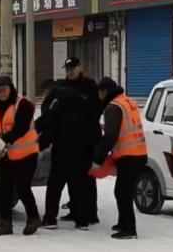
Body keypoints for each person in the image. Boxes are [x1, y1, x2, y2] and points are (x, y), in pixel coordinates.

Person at [0, 75, 42, 236]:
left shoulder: (22, 104)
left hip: (28, 153)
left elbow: (21, 128)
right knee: (3, 188)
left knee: (22, 187)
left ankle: (33, 218)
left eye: (3, 90)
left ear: (10, 88)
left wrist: (3, 140)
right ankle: (5, 224)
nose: (1, 93)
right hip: (10, 155)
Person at [36, 79, 97, 230]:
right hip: (83, 150)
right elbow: (93, 123)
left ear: (47, 91)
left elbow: (49, 124)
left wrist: (39, 146)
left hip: (63, 150)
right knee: (78, 185)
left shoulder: (55, 100)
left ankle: (50, 219)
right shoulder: (80, 98)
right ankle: (82, 220)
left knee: (55, 185)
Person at [93, 77, 148, 240]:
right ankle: (123, 222)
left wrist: (98, 159)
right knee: (123, 190)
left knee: (123, 192)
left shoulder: (113, 107)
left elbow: (110, 137)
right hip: (139, 153)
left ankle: (129, 229)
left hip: (129, 155)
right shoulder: (127, 101)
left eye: (100, 93)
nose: (99, 96)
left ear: (104, 92)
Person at [60, 56, 101, 224]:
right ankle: (75, 210)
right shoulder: (64, 86)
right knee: (71, 177)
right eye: (67, 69)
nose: (69, 72)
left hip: (87, 138)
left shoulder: (90, 85)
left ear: (79, 68)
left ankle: (91, 213)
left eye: (72, 68)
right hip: (69, 139)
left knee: (87, 178)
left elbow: (97, 109)